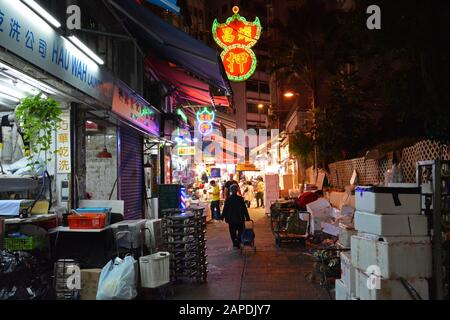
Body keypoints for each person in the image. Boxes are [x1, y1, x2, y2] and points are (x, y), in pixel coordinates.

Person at [221, 184, 250, 248]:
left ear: (231, 191)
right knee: (241, 231)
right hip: (240, 218)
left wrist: (222, 217)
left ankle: (235, 242)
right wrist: (247, 217)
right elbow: (244, 208)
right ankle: (238, 241)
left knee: (232, 232)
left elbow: (225, 209)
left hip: (231, 220)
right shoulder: (240, 199)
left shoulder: (228, 199)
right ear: (237, 190)